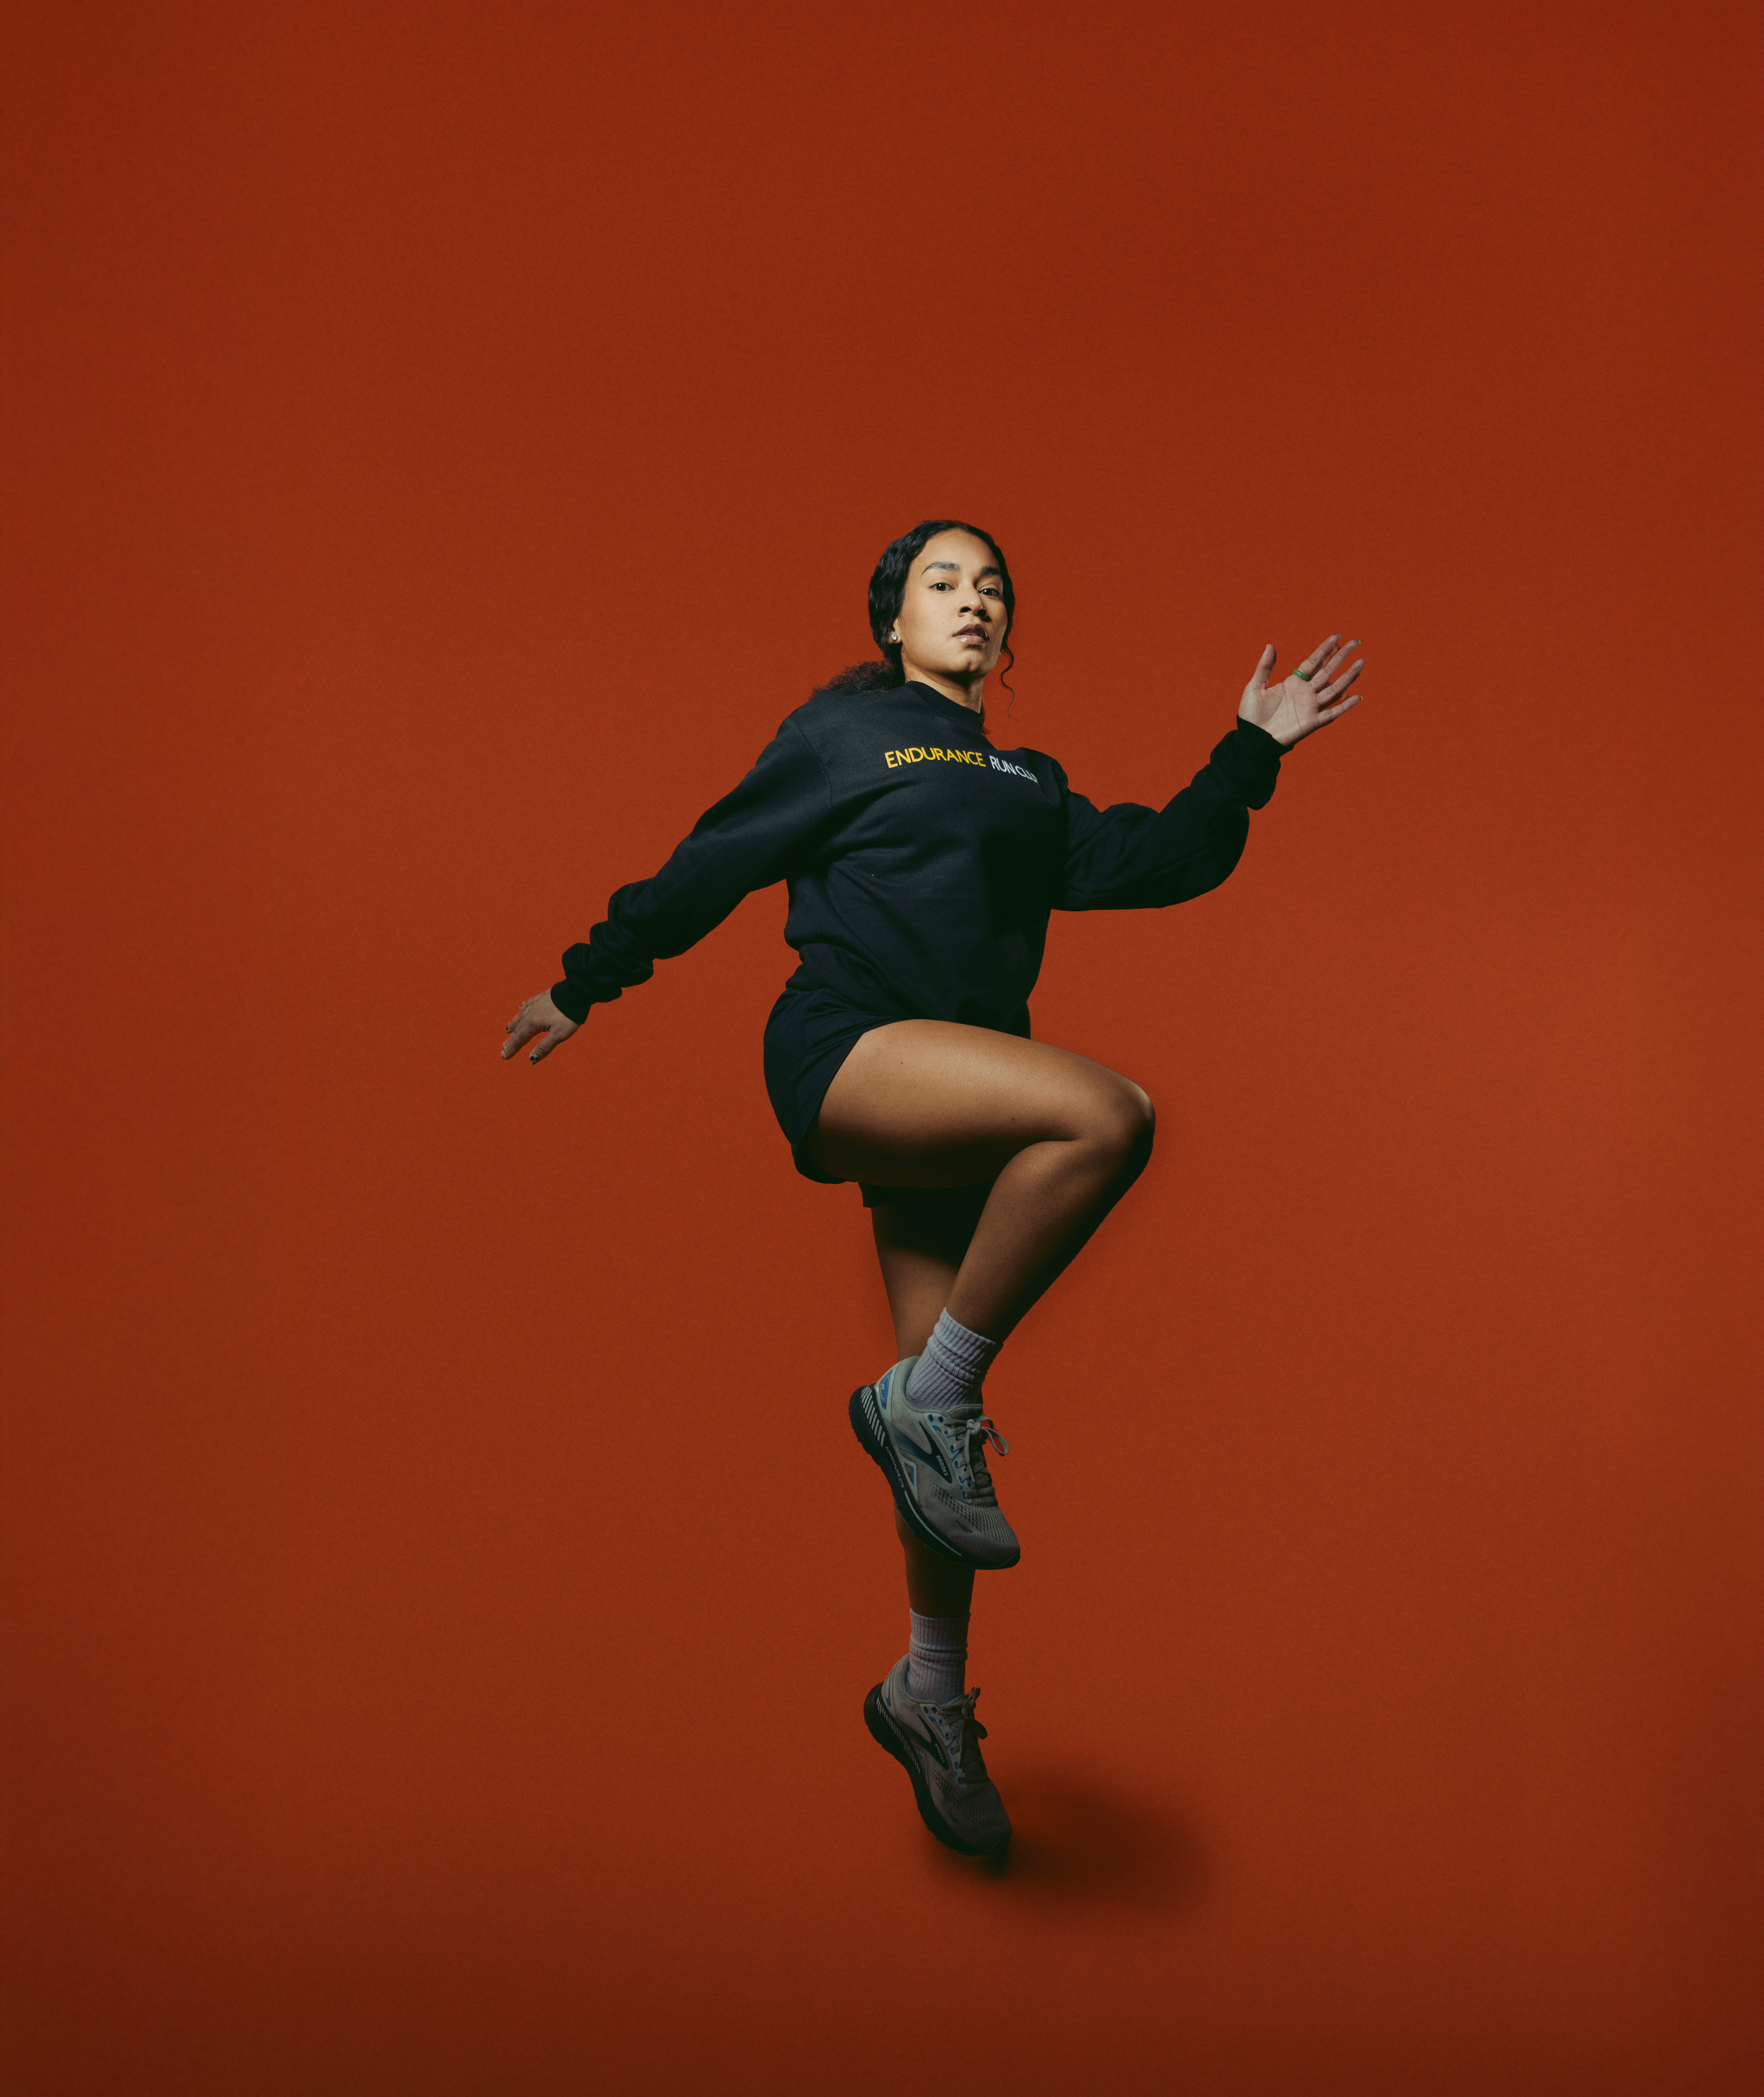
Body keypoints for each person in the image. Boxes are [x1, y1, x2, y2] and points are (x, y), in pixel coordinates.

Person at [502, 520, 1364, 1857]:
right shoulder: (843, 738)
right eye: (942, 583)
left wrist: (1251, 750)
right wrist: (585, 980)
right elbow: (713, 858)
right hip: (847, 1046)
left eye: (992, 587)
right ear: (893, 622)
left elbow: (1156, 861)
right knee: (1109, 1115)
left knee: (938, 1471)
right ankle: (930, 1399)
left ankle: (930, 1693)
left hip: (956, 1100)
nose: (973, 602)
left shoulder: (1028, 782)